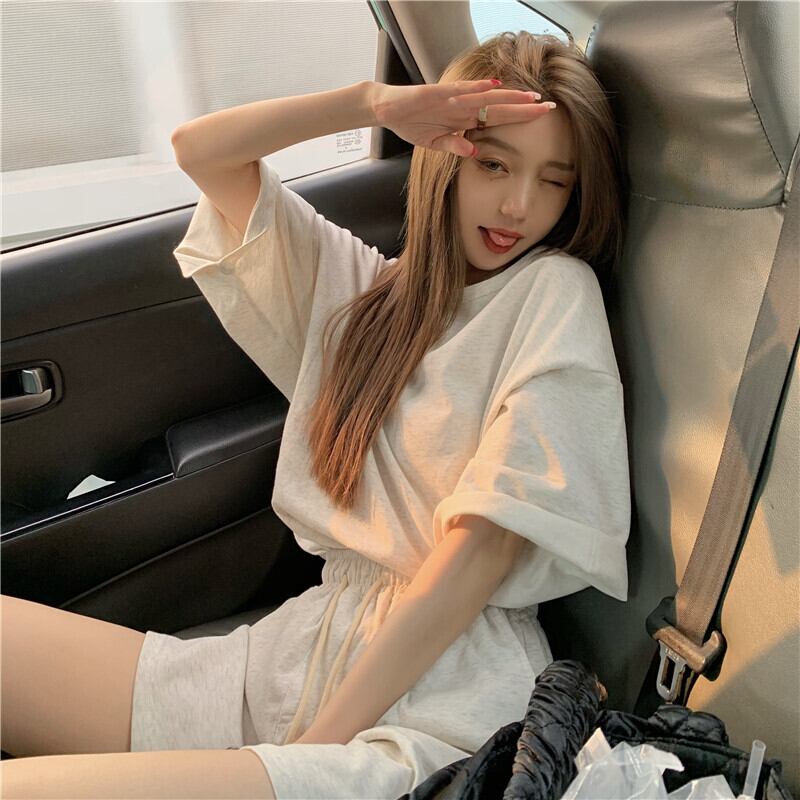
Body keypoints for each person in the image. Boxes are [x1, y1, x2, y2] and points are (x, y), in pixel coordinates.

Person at [0, 31, 631, 799]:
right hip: (303, 650)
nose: (519, 205)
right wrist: (373, 104)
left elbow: (482, 552)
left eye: (554, 181)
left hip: (442, 701)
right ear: (446, 155)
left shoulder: (553, 293)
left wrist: (320, 739)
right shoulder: (365, 296)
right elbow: (203, 152)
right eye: (494, 164)